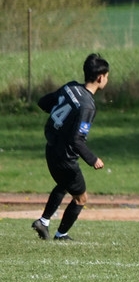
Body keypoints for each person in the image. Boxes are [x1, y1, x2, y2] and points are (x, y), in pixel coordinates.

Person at [31, 53, 111, 242]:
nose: (107, 79)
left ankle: (43, 221)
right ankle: (61, 235)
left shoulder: (71, 87)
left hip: (51, 148)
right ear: (100, 77)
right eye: (107, 76)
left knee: (64, 185)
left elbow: (43, 102)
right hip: (66, 158)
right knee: (81, 198)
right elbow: (77, 140)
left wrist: (61, 119)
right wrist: (93, 159)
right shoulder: (88, 106)